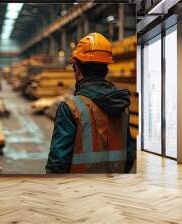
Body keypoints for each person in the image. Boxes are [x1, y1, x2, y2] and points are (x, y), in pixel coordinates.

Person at [45, 33, 135, 174]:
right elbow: (129, 157)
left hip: (80, 191)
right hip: (115, 189)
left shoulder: (71, 108)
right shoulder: (123, 107)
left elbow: (58, 162)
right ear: (106, 70)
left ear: (76, 69)